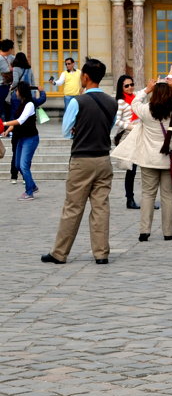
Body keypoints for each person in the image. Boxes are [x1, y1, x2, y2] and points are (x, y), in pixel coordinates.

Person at [42, 58, 117, 265]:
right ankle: (101, 253)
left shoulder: (77, 101)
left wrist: (78, 130)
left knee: (73, 207)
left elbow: (66, 130)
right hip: (103, 158)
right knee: (101, 207)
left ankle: (60, 252)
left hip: (82, 159)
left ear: (85, 76)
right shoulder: (111, 102)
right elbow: (108, 127)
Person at [126, 78, 172, 242]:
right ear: (171, 94)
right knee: (169, 197)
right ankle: (168, 232)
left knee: (148, 194)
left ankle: (144, 231)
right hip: (171, 160)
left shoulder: (147, 111)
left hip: (149, 159)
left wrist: (146, 90)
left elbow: (134, 103)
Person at [1, 81, 41, 201]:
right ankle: (32, 186)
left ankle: (29, 193)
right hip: (21, 138)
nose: (16, 92)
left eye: (17, 90)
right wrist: (7, 130)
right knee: (18, 164)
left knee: (24, 165)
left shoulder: (29, 104)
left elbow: (20, 121)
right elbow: (17, 120)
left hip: (30, 138)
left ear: (22, 91)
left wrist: (3, 124)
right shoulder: (22, 103)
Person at [113, 74, 140, 209]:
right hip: (129, 136)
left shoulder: (136, 98)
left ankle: (147, 199)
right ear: (121, 87)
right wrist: (131, 127)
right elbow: (116, 121)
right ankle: (130, 199)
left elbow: (146, 91)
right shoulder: (120, 102)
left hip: (140, 134)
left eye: (132, 84)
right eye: (126, 86)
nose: (130, 87)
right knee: (131, 169)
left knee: (146, 168)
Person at [0, 38, 14, 121]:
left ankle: (7, 129)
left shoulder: (12, 57)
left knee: (8, 108)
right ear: (9, 49)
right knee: (1, 108)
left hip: (9, 87)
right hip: (1, 86)